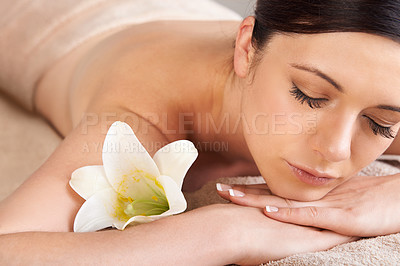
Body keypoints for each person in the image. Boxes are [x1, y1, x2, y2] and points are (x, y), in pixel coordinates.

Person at [0, 0, 399, 264]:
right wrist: (222, 232)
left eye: (381, 122)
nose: (333, 148)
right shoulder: (141, 115)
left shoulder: (376, 77)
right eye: (309, 96)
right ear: (246, 47)